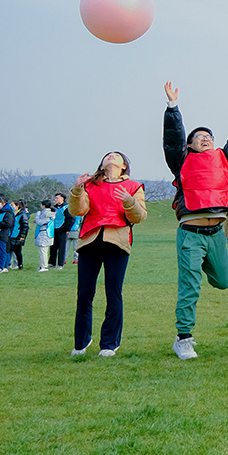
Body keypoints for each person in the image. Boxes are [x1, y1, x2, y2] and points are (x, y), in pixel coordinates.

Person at [163, 81, 228, 360]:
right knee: (190, 285)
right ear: (190, 144)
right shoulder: (180, 159)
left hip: (216, 233)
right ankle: (183, 338)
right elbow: (172, 137)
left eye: (209, 136)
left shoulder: (224, 159)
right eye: (199, 136)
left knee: (224, 281)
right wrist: (172, 107)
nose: (205, 138)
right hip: (190, 233)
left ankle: (205, 262)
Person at [68, 152, 147, 356]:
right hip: (90, 241)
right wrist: (77, 190)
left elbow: (139, 217)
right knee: (84, 293)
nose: (111, 157)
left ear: (123, 166)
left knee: (113, 293)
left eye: (116, 156)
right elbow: (78, 211)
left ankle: (109, 344)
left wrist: (130, 201)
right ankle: (81, 342)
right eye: (108, 155)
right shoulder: (90, 185)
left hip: (117, 242)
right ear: (102, 164)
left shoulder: (133, 187)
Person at [50, 192, 73, 269]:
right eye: (55, 198)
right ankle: (52, 263)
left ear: (62, 199)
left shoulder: (66, 207)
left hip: (62, 230)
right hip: (54, 229)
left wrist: (67, 229)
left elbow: (71, 218)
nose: (55, 199)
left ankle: (60, 264)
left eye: (57, 198)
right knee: (53, 247)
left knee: (61, 247)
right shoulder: (54, 208)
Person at [33, 199, 55, 272]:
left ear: (44, 206)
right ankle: (43, 265)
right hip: (48, 233)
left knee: (43, 251)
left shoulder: (45, 213)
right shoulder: (51, 213)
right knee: (44, 250)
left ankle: (44, 266)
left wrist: (37, 215)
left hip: (43, 233)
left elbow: (39, 222)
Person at [8, 200, 29, 270]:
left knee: (17, 251)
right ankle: (8, 264)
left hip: (17, 235)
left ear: (17, 206)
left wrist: (23, 236)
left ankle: (20, 264)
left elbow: (25, 226)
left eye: (12, 205)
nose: (11, 206)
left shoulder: (22, 214)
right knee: (9, 250)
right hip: (10, 234)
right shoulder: (11, 214)